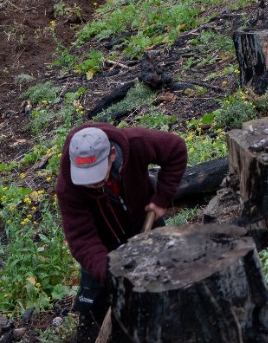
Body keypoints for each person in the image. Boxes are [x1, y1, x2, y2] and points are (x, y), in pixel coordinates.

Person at [55, 123, 187, 343]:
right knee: (93, 313)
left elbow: (176, 149)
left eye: (97, 177)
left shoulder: (135, 143)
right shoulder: (68, 187)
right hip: (102, 244)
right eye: (86, 179)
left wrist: (162, 198)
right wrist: (111, 273)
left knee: (169, 283)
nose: (93, 185)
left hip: (143, 223)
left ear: (112, 155)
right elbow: (82, 239)